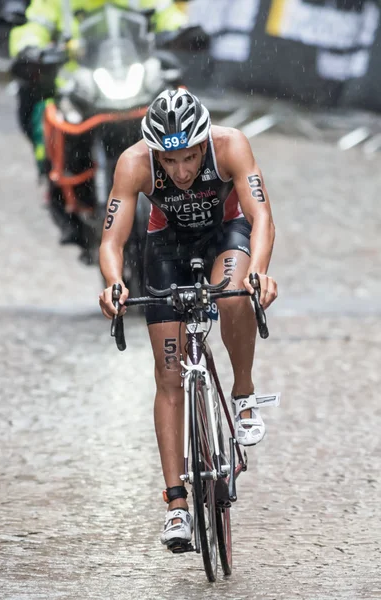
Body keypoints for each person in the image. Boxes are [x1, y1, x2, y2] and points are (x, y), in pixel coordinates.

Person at [99, 88, 278, 547]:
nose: (180, 171)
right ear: (154, 152)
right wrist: (114, 283)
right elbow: (112, 241)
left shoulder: (232, 145)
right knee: (168, 375)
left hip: (226, 235)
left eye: (191, 157)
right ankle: (177, 505)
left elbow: (260, 217)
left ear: (205, 142)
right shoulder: (134, 162)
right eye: (169, 159)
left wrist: (259, 271)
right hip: (167, 248)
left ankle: (242, 392)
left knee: (235, 295)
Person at [8, 0, 187, 255]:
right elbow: (35, 23)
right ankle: (56, 188)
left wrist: (182, 29)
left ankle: (201, 192)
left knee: (180, 103)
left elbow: (165, 11)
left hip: (132, 79)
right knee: (43, 116)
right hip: (77, 87)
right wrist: (28, 48)